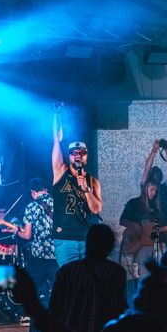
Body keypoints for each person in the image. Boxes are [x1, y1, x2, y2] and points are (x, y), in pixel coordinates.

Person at [49, 224, 127, 332]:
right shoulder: (115, 272)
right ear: (110, 246)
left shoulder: (66, 271)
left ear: (87, 243)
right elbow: (117, 306)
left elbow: (54, 307)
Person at [3, 177, 59, 332]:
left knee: (35, 298)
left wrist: (15, 231)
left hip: (38, 258)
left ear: (33, 192)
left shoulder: (32, 207)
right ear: (46, 190)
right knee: (59, 296)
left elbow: (27, 235)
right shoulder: (58, 204)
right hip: (57, 256)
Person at [51, 111, 102, 267]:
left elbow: (96, 209)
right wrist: (57, 115)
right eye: (74, 153)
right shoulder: (60, 171)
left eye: (81, 153)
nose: (78, 155)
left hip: (86, 238)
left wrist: (86, 189)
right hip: (65, 238)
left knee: (86, 278)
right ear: (69, 156)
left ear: (86, 156)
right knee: (69, 277)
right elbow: (56, 141)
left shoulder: (93, 181)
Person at [141, 140, 167, 245]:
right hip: (151, 227)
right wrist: (154, 151)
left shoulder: (165, 187)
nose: (157, 174)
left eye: (158, 173)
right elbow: (146, 169)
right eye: (154, 172)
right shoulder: (146, 187)